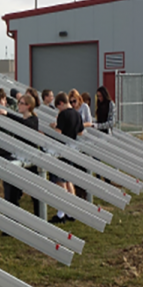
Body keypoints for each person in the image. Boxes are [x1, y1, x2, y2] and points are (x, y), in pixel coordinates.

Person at [0, 94, 41, 215]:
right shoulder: (24, 119)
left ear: (28, 106)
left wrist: (8, 114)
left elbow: (24, 124)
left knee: (35, 193)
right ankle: (14, 220)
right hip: (20, 159)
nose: (19, 105)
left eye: (21, 103)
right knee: (13, 193)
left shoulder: (33, 120)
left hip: (30, 161)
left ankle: (39, 218)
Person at [48, 92, 84, 224]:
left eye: (58, 107)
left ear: (61, 103)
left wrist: (53, 127)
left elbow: (59, 133)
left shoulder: (63, 114)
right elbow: (80, 132)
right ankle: (71, 212)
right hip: (72, 149)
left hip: (62, 150)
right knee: (69, 181)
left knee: (61, 182)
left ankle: (61, 214)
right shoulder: (77, 114)